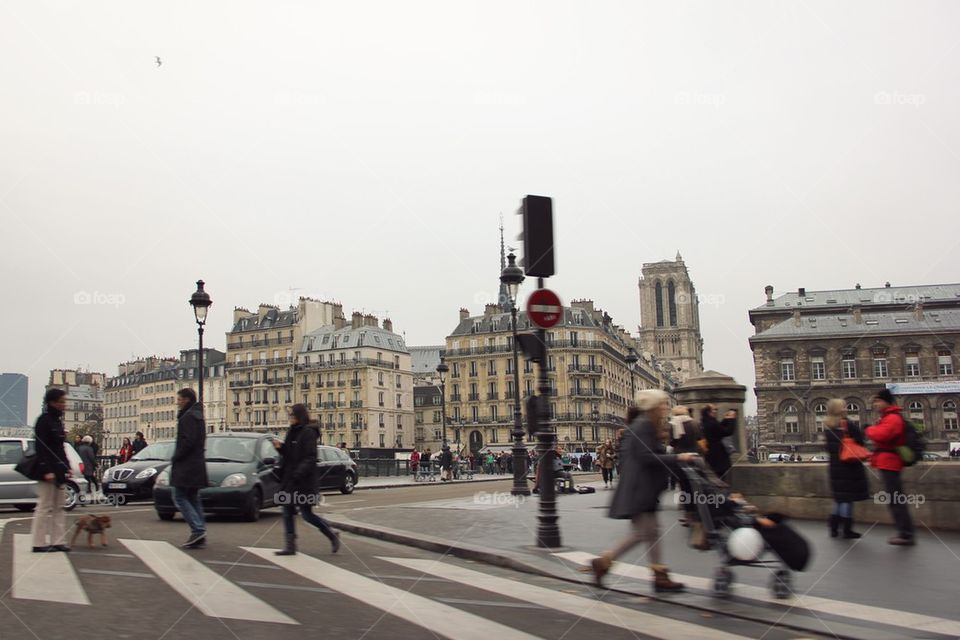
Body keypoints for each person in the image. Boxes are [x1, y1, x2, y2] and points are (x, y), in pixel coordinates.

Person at [587, 391, 698, 592]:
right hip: (640, 488)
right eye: (663, 404)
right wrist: (679, 459)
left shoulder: (644, 424)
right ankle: (605, 563)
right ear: (654, 406)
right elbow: (647, 457)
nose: (666, 407)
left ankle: (657, 575)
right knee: (643, 533)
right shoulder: (644, 425)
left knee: (649, 532)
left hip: (642, 487)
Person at [273, 404, 340, 555]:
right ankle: (290, 546)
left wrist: (298, 473)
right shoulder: (292, 432)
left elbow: (310, 457)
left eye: (292, 415)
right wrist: (280, 448)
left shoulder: (308, 433)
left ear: (299, 416)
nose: (290, 418)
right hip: (290, 479)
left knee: (307, 515)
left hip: (303, 481)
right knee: (287, 511)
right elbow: (290, 454)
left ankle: (331, 534)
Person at [866, 389, 915, 546]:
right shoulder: (888, 417)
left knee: (896, 499)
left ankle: (905, 534)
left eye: (878, 401)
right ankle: (905, 532)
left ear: (886, 401)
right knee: (895, 498)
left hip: (891, 463)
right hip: (888, 462)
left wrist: (868, 429)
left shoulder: (892, 418)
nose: (875, 404)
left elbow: (882, 435)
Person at [31, 388, 72, 552]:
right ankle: (38, 542)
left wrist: (67, 466)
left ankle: (58, 540)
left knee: (59, 506)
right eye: (61, 402)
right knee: (44, 506)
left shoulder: (57, 421)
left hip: (58, 469)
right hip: (47, 470)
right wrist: (46, 470)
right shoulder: (44, 420)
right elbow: (40, 448)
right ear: (52, 403)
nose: (64, 405)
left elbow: (60, 447)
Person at [822, 399, 868, 539]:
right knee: (847, 499)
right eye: (844, 406)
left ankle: (834, 528)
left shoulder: (828, 426)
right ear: (840, 409)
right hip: (848, 466)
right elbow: (860, 440)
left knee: (839, 498)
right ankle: (847, 529)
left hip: (835, 467)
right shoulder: (846, 424)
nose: (847, 407)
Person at [170, 388, 208, 549]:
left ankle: (198, 529)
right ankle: (200, 530)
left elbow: (187, 442)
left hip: (186, 464)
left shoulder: (187, 417)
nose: (177, 402)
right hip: (197, 462)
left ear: (186, 400)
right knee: (193, 497)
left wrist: (176, 456)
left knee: (179, 497)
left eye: (179, 399)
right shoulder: (199, 416)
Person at [702, 405, 737, 480]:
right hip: (717, 454)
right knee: (721, 475)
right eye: (714, 409)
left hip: (710, 453)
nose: (716, 411)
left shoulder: (707, 421)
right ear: (709, 412)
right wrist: (732, 419)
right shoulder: (711, 423)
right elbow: (727, 431)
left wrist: (725, 419)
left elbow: (718, 428)